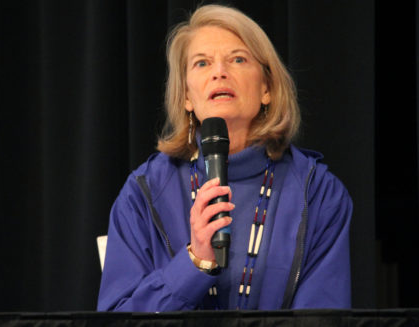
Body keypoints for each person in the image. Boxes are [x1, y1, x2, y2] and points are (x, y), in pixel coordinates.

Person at [97, 4, 352, 311]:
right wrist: (194, 263)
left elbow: (322, 317)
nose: (220, 72)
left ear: (266, 88)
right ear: (187, 96)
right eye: (202, 63)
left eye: (238, 59)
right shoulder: (144, 192)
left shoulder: (318, 193)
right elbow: (116, 316)